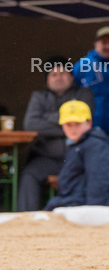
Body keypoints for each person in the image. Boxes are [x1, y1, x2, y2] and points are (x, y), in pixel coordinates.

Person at [18, 57, 94, 211]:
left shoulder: (84, 94)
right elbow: (31, 125)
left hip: (77, 156)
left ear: (72, 77)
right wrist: (68, 120)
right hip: (46, 158)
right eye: (53, 74)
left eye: (63, 73)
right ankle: (27, 219)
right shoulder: (38, 97)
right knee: (29, 175)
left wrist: (46, 118)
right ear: (47, 80)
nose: (58, 77)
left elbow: (85, 123)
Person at [43, 100, 109, 210]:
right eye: (68, 125)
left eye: (77, 124)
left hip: (81, 208)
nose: (73, 129)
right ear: (62, 126)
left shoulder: (95, 145)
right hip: (71, 203)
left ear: (89, 123)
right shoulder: (77, 144)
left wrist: (92, 213)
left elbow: (99, 182)